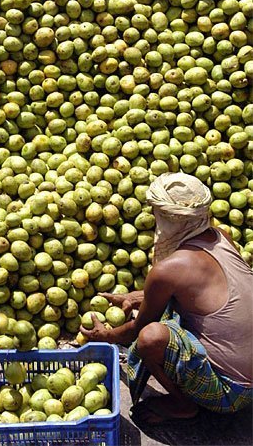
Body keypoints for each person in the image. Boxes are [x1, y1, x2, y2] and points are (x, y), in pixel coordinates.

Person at [80, 173, 253, 425]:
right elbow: (198, 288)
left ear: (165, 217)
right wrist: (140, 296)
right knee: (166, 314)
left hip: (231, 393)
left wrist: (106, 336)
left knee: (150, 338)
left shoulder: (168, 270)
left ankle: (183, 405)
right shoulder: (221, 236)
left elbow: (136, 332)